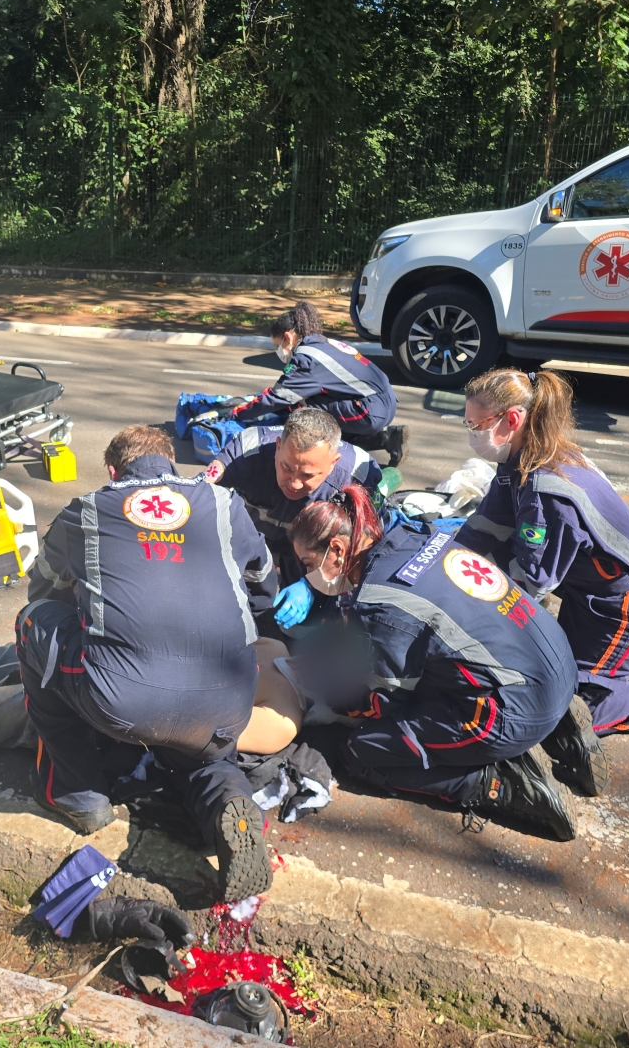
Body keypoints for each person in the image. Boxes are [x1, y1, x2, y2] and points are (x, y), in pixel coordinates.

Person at [18, 424, 279, 901]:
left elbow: (45, 589)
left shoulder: (86, 510)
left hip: (125, 700)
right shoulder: (224, 503)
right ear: (171, 463)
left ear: (112, 471)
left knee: (31, 621)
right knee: (204, 752)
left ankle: (77, 794)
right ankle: (229, 800)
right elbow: (264, 586)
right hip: (225, 701)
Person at [290, 485, 588, 841]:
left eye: (309, 564)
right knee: (442, 662)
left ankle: (497, 783)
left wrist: (333, 696)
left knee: (362, 750)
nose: (308, 575)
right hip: (556, 662)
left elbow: (384, 700)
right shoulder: (416, 535)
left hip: (515, 709)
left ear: (338, 550)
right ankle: (561, 727)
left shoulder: (377, 604)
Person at [455, 368, 629, 792]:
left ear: (511, 420)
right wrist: (443, 560)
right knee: (549, 677)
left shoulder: (546, 491)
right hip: (592, 598)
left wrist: (471, 613)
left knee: (573, 710)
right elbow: (487, 526)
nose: (471, 433)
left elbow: (531, 584)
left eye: (476, 425)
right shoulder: (526, 458)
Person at [0, 637, 305, 759]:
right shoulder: (276, 649)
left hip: (89, 704)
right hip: (96, 659)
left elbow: (174, 722)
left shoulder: (280, 723)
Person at [206, 408, 382, 629]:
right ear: (278, 446)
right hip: (249, 536)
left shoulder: (360, 474)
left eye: (308, 475)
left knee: (306, 627)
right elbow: (195, 495)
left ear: (333, 462)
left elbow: (361, 549)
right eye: (287, 467)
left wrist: (312, 584)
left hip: (308, 553)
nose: (294, 483)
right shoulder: (246, 449)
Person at [229, 301, 408, 466]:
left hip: (370, 411)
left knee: (302, 408)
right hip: (385, 403)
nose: (278, 351)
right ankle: (387, 438)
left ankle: (330, 459)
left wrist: (239, 413)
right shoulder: (321, 342)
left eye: (277, 345)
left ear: (288, 337)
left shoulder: (307, 359)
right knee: (315, 404)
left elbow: (278, 397)